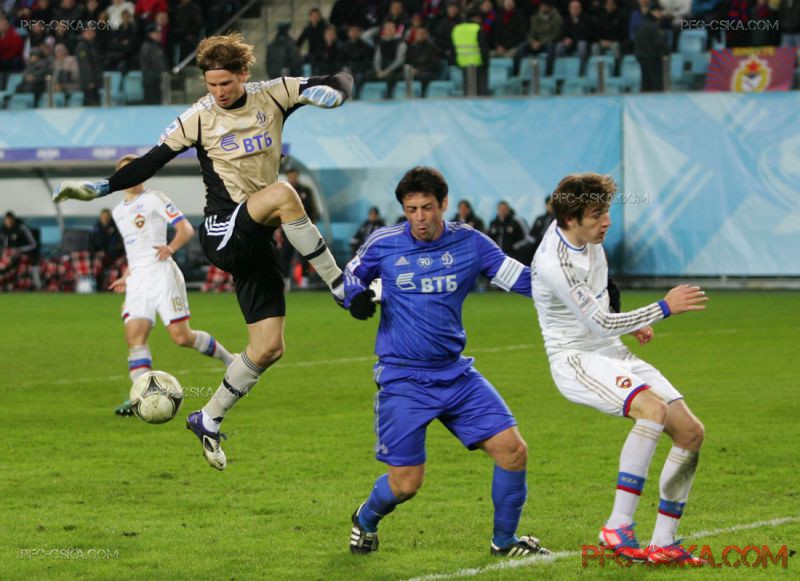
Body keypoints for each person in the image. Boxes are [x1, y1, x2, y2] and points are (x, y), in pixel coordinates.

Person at [53, 32, 353, 470]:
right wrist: (102, 187)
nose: (218, 92)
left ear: (243, 74)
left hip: (256, 239)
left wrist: (335, 93)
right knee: (284, 193)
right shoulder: (198, 117)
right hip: (222, 229)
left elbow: (340, 77)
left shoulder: (274, 94)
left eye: (225, 83)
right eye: (211, 85)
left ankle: (207, 418)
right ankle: (341, 285)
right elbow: (151, 161)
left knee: (269, 348)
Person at [344, 166, 550, 558]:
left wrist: (585, 291)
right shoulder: (384, 243)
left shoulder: (470, 243)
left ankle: (504, 542)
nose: (419, 218)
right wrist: (354, 298)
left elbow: (523, 279)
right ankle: (365, 518)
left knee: (512, 450)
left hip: (456, 375)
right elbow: (351, 276)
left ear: (444, 203)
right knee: (405, 485)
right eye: (411, 210)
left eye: (427, 208)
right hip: (403, 378)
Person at [530, 173, 707, 565]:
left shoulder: (588, 239)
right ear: (571, 219)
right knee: (652, 410)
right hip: (575, 358)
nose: (607, 221)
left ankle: (663, 543)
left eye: (607, 211)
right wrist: (662, 308)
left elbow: (600, 297)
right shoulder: (555, 262)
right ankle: (618, 525)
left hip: (609, 349)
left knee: (691, 432)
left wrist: (625, 320)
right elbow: (599, 323)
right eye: (597, 215)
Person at [107, 155, 236, 416]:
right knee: (134, 337)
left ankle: (231, 361)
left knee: (181, 337)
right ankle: (141, 396)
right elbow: (136, 250)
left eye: (135, 171)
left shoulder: (154, 198)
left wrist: (171, 248)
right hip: (138, 280)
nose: (131, 176)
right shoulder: (118, 211)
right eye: (125, 173)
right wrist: (126, 275)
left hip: (162, 274)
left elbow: (185, 229)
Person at [90, 208, 125, 290]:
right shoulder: (96, 229)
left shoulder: (116, 228)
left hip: (114, 254)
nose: (105, 218)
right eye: (103, 216)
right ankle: (97, 283)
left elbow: (120, 244)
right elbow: (94, 244)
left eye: (106, 216)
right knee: (98, 259)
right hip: (101, 254)